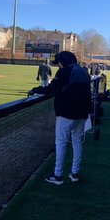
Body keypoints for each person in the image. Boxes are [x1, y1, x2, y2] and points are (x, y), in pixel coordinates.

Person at [28, 51, 92, 185]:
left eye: (59, 63)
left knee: (61, 142)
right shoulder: (84, 71)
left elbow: (51, 88)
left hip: (67, 112)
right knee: (77, 141)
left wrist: (35, 89)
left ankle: (58, 175)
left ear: (63, 62)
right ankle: (75, 173)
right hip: (83, 112)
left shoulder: (65, 71)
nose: (58, 66)